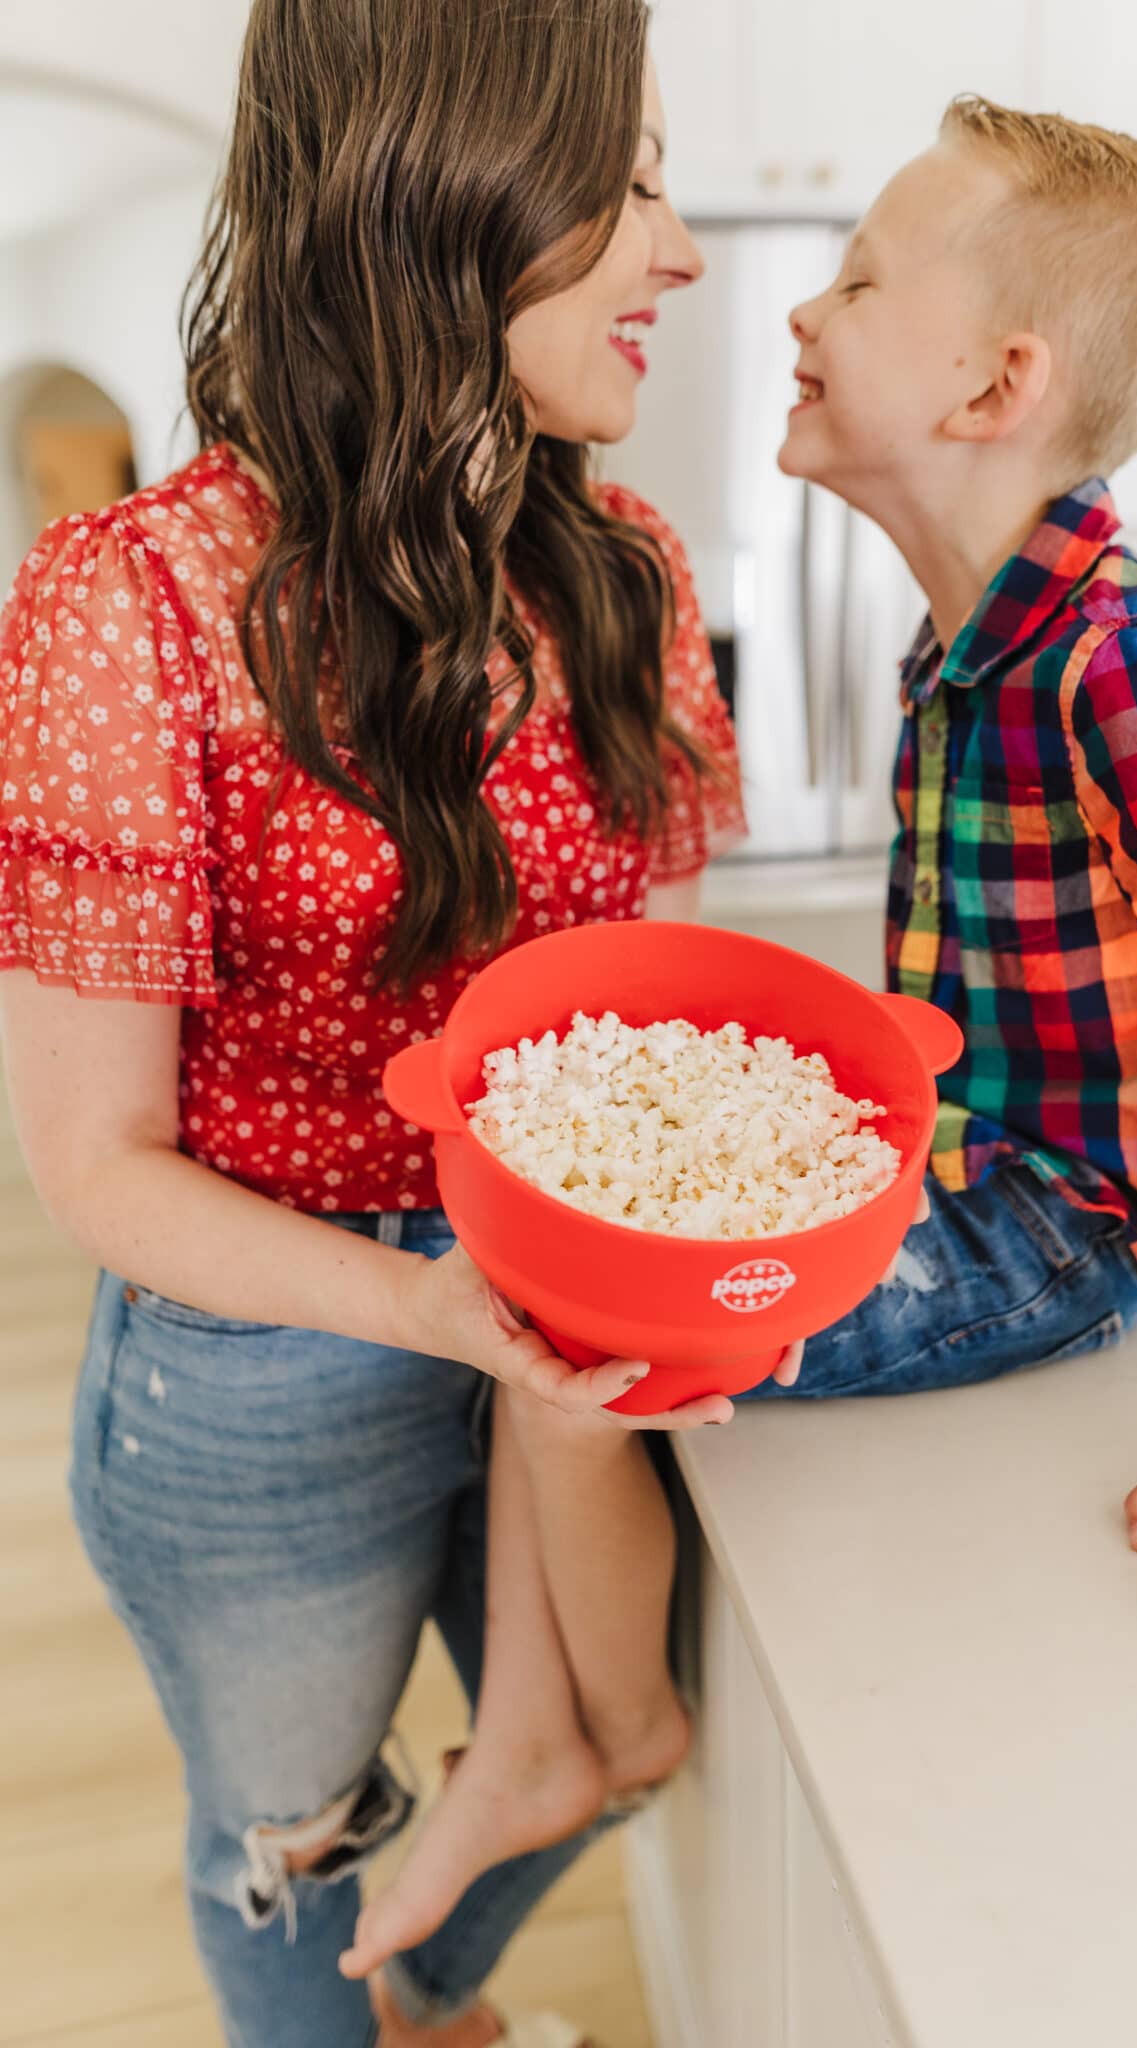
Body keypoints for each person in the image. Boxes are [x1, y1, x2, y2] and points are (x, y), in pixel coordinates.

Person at [0, 4, 757, 2043]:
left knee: (620, 1738)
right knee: (292, 1832)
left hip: (541, 1301)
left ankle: (412, 1995)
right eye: (636, 179)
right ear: (444, 188)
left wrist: (523, 1307)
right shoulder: (129, 602)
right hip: (263, 1364)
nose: (679, 253)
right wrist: (436, 1310)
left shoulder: (625, 577)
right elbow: (97, 1168)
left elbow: (640, 1058)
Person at [757, 94, 1137, 1680]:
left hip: (1067, 1230)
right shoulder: (966, 642)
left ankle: (576, 1736)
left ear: (995, 385)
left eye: (863, 281)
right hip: (962, 1161)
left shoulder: (1127, 670)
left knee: (620, 1336)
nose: (802, 308)